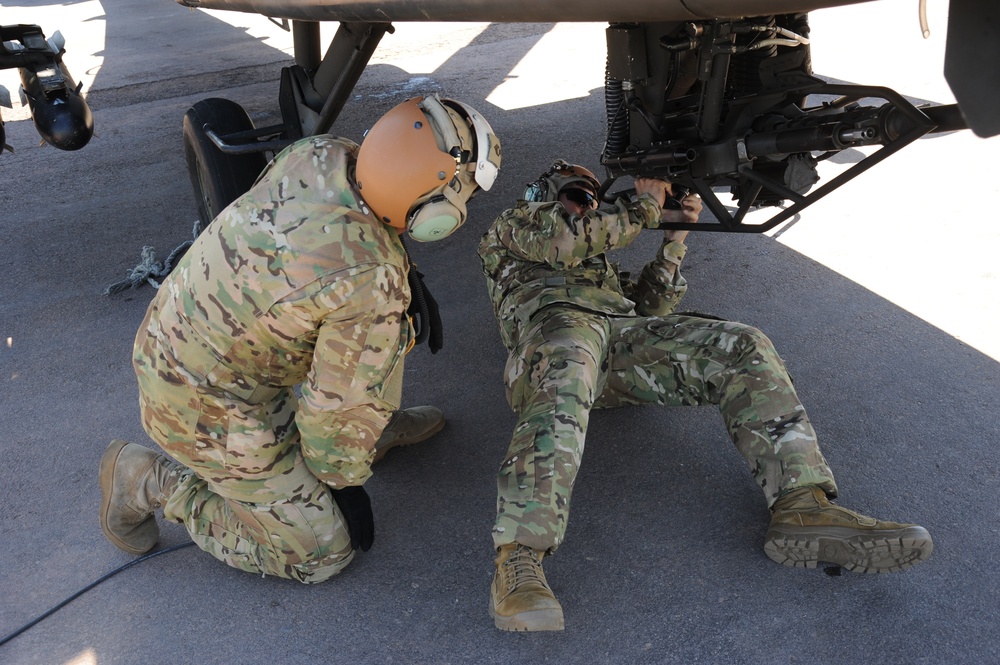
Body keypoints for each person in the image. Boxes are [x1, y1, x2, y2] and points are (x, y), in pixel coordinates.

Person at [477, 160, 933, 631]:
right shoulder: (516, 227)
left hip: (619, 340)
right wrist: (647, 203)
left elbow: (650, 308)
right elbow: (567, 240)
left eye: (592, 199)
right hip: (555, 338)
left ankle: (802, 506)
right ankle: (519, 561)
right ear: (545, 195)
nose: (587, 204)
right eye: (578, 195)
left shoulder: (599, 265)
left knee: (742, 344)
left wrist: (674, 242)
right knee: (570, 362)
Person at [99, 95, 502, 583]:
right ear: (432, 207)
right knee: (319, 553)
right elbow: (333, 416)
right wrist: (342, 480)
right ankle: (148, 480)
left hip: (183, 341)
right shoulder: (370, 282)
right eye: (463, 195)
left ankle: (369, 431)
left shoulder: (326, 155)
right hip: (196, 403)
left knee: (390, 320)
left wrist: (399, 283)